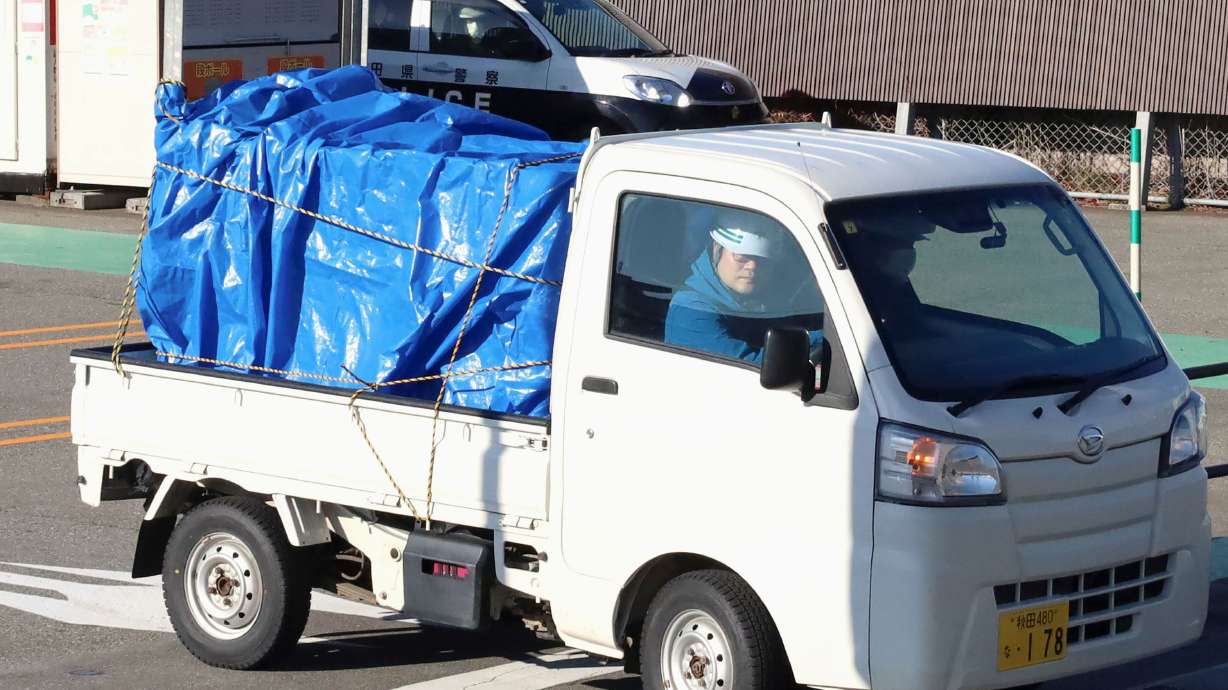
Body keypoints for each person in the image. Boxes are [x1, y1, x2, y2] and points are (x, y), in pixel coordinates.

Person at [665, 212, 823, 365]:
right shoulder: (690, 311)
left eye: (762, 259)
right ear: (716, 249)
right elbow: (751, 366)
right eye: (741, 256)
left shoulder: (763, 301)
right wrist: (825, 341)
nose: (752, 266)